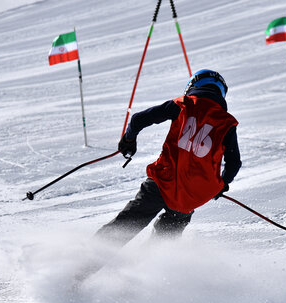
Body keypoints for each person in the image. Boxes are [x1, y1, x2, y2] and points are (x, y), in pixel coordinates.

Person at [95, 69, 241, 246]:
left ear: (192, 86)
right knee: (162, 244)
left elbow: (138, 119)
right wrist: (221, 184)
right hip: (190, 197)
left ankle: (80, 264)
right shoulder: (226, 123)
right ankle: (147, 270)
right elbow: (233, 163)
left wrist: (129, 139)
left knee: (124, 228)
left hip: (162, 183)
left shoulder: (184, 104)